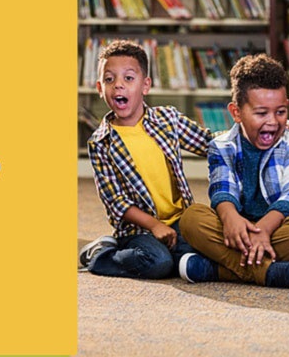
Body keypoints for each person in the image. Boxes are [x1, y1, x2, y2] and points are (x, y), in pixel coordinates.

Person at [178, 54, 289, 288]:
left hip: (278, 229)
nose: (273, 122)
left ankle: (217, 270)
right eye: (261, 113)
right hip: (237, 231)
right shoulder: (222, 145)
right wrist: (231, 218)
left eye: (281, 112)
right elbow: (222, 190)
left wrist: (263, 229)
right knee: (192, 219)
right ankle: (273, 273)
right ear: (236, 113)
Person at [82, 39, 214, 279]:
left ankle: (171, 251)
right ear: (100, 88)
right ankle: (102, 255)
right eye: (110, 80)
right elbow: (117, 202)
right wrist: (154, 226)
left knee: (204, 252)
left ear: (146, 85)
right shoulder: (100, 142)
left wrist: (251, 130)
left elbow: (209, 143)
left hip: (180, 220)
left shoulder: (167, 119)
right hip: (137, 229)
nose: (118, 86)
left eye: (128, 78)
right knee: (158, 263)